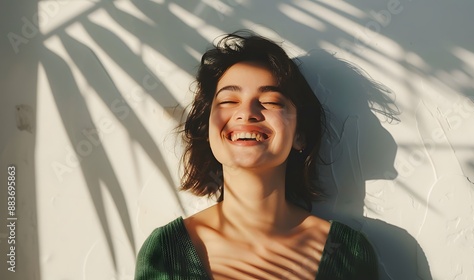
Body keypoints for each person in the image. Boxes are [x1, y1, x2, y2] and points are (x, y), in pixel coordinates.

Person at [135, 31, 379, 279]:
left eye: (271, 101)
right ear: (208, 131)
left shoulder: (348, 254)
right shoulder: (165, 253)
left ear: (299, 135)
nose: (247, 112)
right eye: (229, 100)